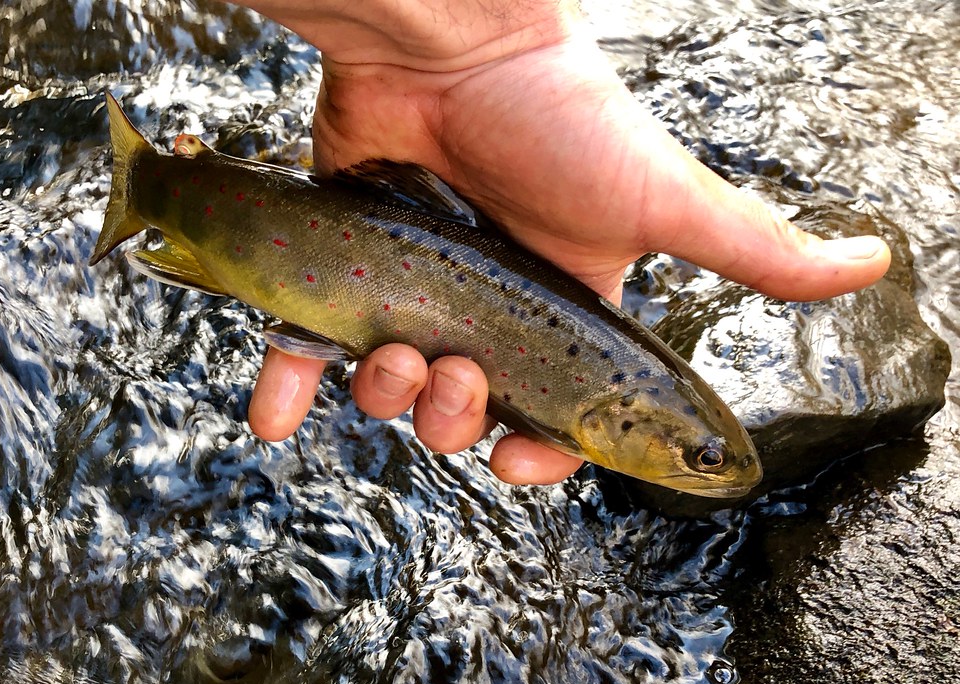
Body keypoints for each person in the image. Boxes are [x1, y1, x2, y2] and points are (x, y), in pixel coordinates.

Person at [227, 0, 891, 485]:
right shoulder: (613, 398)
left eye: (708, 457)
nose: (715, 471)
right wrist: (487, 42)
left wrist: (480, 39)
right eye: (704, 459)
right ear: (628, 420)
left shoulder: (625, 391)